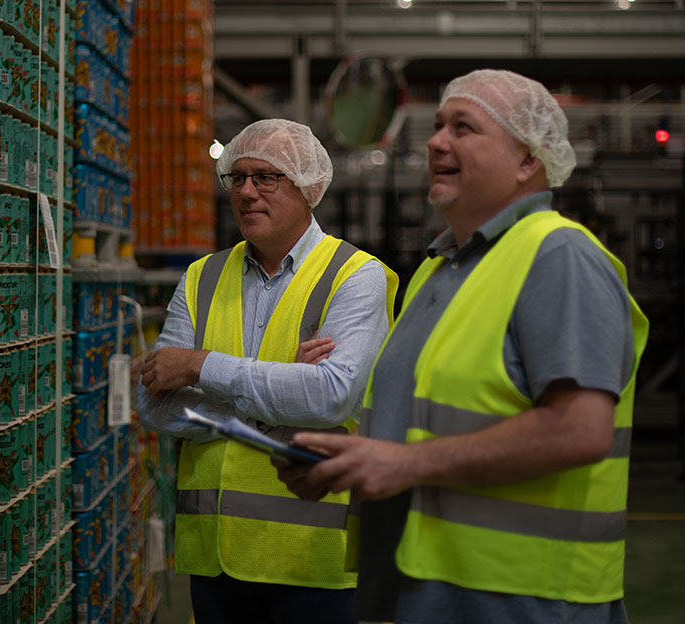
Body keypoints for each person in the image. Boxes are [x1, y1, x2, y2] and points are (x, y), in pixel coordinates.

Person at [276, 69, 649, 624]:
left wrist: (403, 463)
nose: (435, 141)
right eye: (438, 125)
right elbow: (431, 420)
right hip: (425, 585)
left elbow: (581, 428)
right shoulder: (439, 270)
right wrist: (348, 461)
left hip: (523, 598)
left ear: (528, 160)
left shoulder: (558, 256)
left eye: (464, 127)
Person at [137, 118, 399, 624]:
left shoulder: (355, 276)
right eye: (237, 178)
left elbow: (330, 397)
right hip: (212, 560)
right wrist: (281, 390)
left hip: (309, 556)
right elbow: (154, 402)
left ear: (309, 188)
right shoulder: (202, 277)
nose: (247, 192)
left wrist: (199, 366)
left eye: (266, 178)